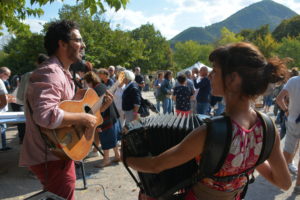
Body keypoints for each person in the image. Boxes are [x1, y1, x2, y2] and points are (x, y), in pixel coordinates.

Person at [125, 42, 291, 200]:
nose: (210, 76)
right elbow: (284, 183)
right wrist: (248, 157)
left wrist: (127, 159)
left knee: (146, 196)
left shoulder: (209, 133)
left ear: (233, 79)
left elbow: (156, 165)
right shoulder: (268, 128)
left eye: (215, 71)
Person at [18, 20, 111, 200]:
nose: (83, 45)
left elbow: (70, 110)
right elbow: (45, 116)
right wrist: (84, 118)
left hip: (58, 153)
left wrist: (99, 109)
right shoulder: (51, 72)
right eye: (78, 40)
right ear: (62, 43)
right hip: (51, 158)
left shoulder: (62, 72)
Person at [83, 71, 121, 167]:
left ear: (89, 81)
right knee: (113, 138)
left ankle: (106, 159)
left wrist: (97, 119)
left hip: (106, 118)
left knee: (106, 139)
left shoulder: (96, 90)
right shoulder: (102, 86)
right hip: (113, 116)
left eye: (86, 82)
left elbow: (104, 105)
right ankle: (117, 155)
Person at [276, 69, 300, 193]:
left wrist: (286, 110)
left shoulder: (293, 80)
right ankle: (298, 185)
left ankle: (281, 177)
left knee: (288, 149)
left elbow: (279, 99)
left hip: (292, 120)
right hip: (293, 119)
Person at [0, 66, 15, 151]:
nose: (8, 77)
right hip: (1, 111)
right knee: (2, 128)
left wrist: (9, 98)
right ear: (2, 74)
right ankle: (3, 146)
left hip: (2, 109)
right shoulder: (0, 82)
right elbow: (3, 99)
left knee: (3, 127)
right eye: (7, 75)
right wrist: (5, 103)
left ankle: (3, 145)